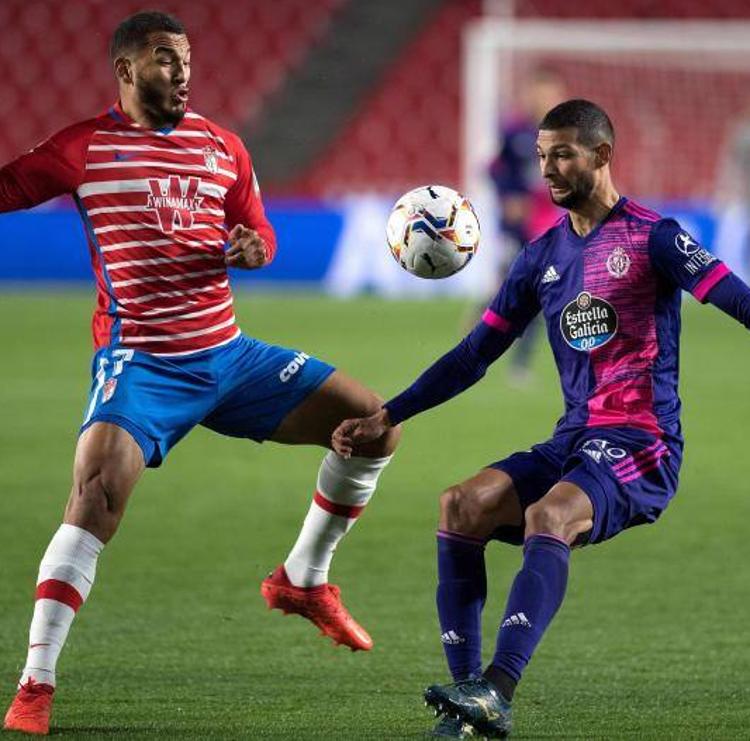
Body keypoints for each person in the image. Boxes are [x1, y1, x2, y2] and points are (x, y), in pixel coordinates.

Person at [1, 11, 399, 736]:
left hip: (229, 356)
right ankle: (36, 681)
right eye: (163, 59)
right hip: (144, 365)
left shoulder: (222, 147)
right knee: (94, 496)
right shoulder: (81, 150)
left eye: (185, 59)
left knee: (372, 425)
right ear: (126, 70)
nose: (181, 72)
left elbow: (263, 235)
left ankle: (302, 578)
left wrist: (254, 248)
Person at [332, 99, 750, 738]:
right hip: (575, 439)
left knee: (548, 515)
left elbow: (737, 299)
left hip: (644, 441)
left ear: (602, 156)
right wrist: (389, 413)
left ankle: (498, 688)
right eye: (541, 157)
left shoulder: (655, 237)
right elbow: (474, 355)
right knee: (460, 505)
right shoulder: (540, 257)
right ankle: (467, 704)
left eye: (562, 155)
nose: (547, 170)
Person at [486, 68, 566, 383]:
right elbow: (495, 169)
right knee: (517, 288)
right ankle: (486, 320)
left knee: (544, 292)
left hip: (555, 224)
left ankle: (520, 363)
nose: (545, 100)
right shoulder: (515, 132)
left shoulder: (569, 132)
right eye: (540, 93)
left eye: (551, 94)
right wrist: (509, 197)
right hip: (521, 226)